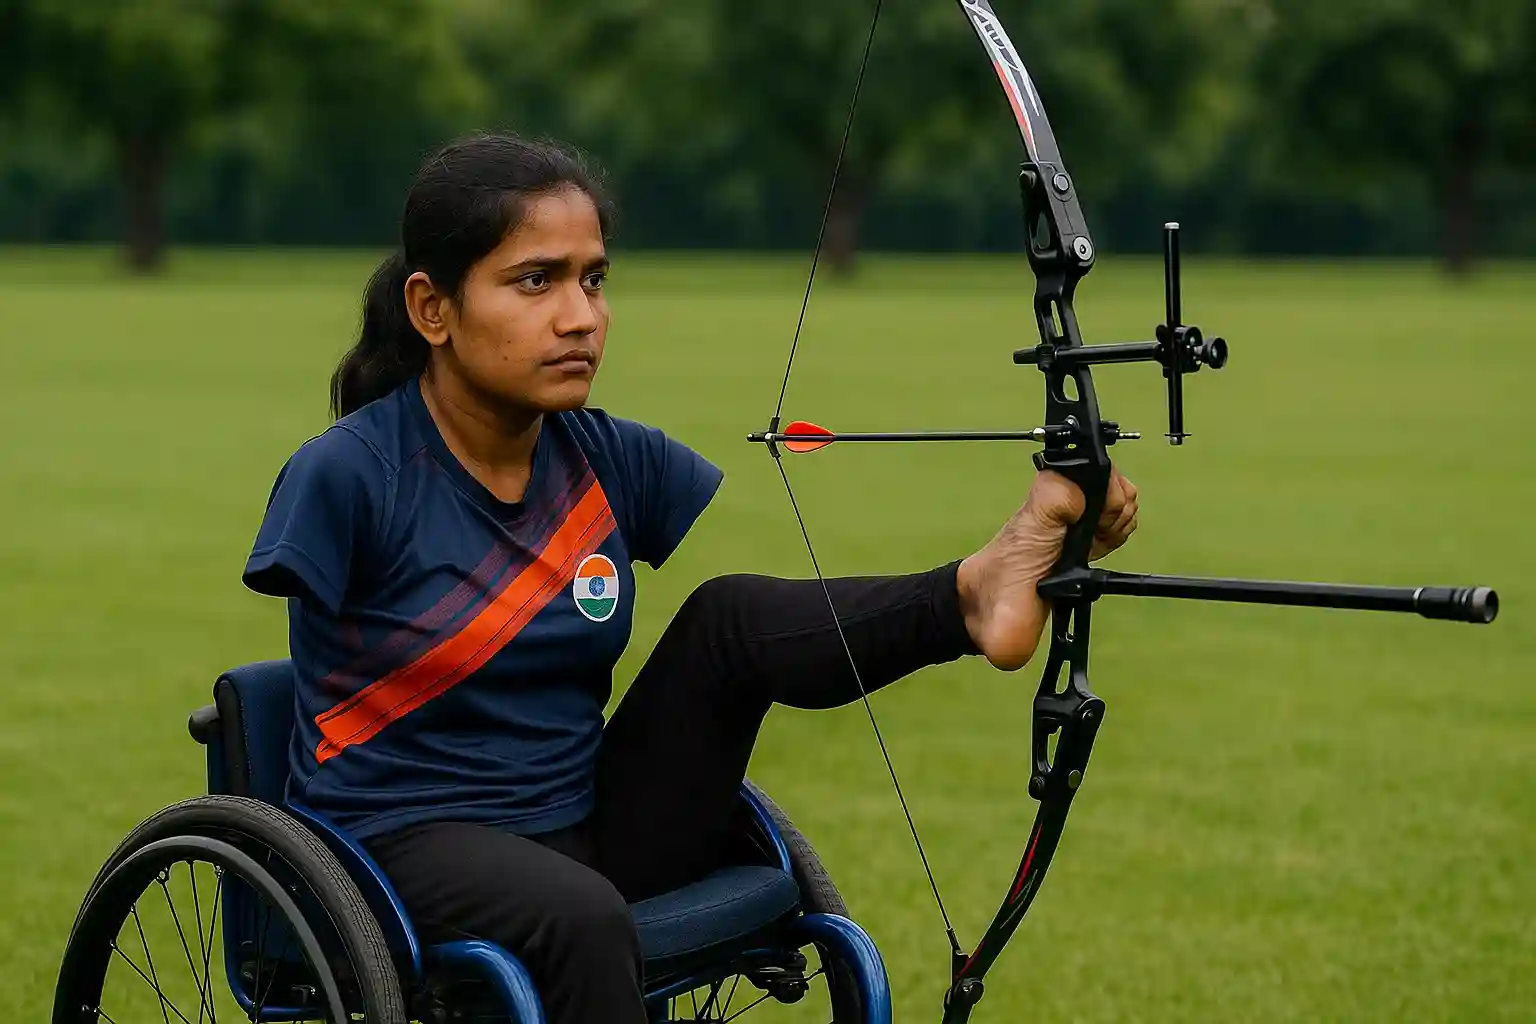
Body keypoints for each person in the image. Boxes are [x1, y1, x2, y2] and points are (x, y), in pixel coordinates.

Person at [242, 132, 1138, 1023]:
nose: (580, 316)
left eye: (593, 279)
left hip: (586, 824)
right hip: (394, 848)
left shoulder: (615, 460)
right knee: (582, 917)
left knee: (730, 617)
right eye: (535, 281)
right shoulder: (349, 475)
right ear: (432, 309)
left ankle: (974, 592)